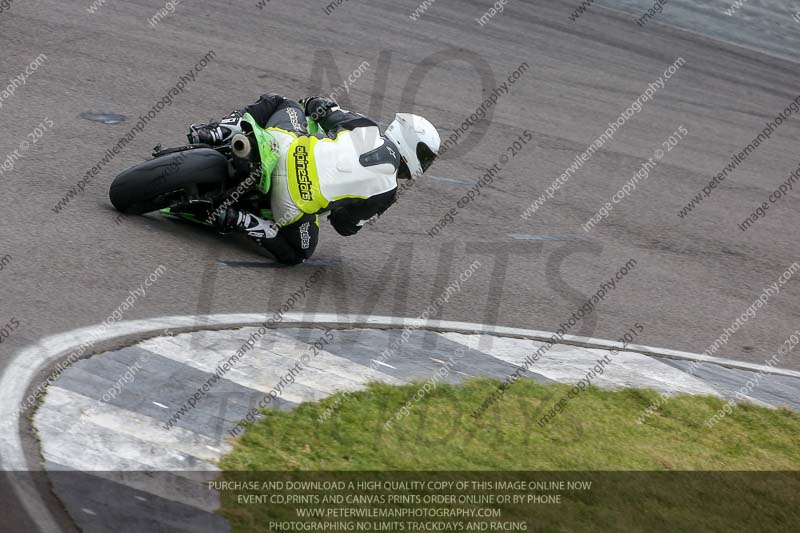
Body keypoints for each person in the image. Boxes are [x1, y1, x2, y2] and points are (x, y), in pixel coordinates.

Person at [187, 94, 441, 265]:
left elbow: (320, 108)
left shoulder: (366, 128)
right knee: (299, 252)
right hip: (290, 204)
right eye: (425, 158)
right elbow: (345, 226)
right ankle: (238, 219)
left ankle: (214, 131)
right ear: (413, 150)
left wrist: (311, 102)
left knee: (280, 102)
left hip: (284, 148)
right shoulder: (388, 189)